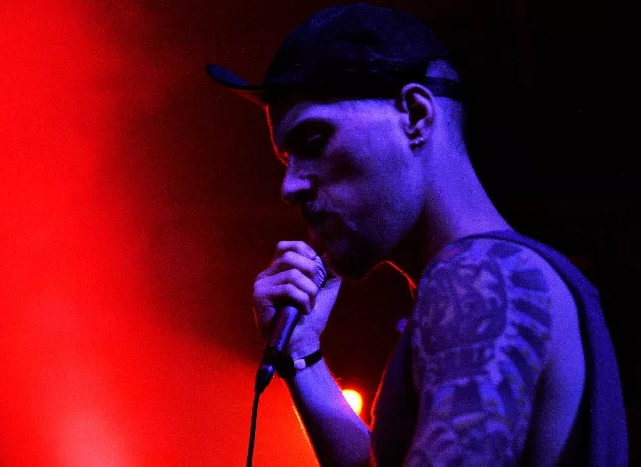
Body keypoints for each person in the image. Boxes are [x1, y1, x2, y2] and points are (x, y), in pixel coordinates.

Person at [206, 3, 627, 466]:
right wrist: (302, 354)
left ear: (415, 113)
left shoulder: (478, 275)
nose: (290, 187)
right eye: (287, 161)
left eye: (314, 142)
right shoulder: (494, 273)